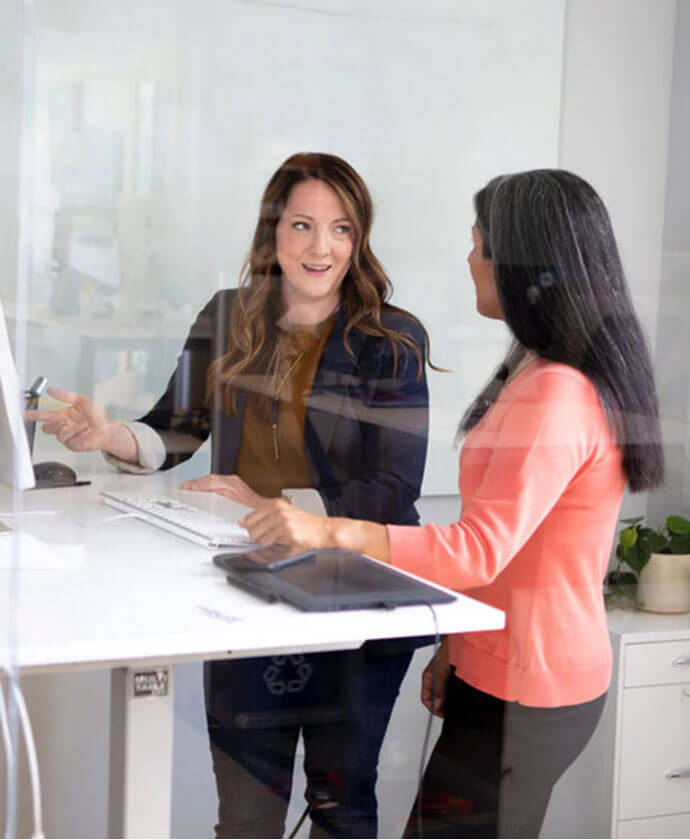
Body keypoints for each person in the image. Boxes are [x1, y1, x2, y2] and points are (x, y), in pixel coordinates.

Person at [240, 169, 665, 838]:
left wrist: (328, 531)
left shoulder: (557, 390)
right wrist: (457, 650)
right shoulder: (535, 366)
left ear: (526, 265)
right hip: (501, 669)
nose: (470, 259)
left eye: (479, 244)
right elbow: (510, 544)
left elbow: (478, 548)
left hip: (529, 685)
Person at [27, 152, 432, 838]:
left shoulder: (391, 339)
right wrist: (109, 435)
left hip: (355, 590)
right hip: (250, 591)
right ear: (273, 231)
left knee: (341, 809)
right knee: (245, 817)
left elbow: (393, 491)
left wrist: (282, 508)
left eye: (340, 229)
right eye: (302, 225)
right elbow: (176, 428)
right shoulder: (228, 314)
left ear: (359, 238)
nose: (321, 247)